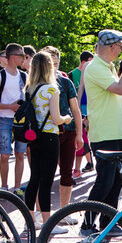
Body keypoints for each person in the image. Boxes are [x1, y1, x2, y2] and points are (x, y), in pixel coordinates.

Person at [82, 29, 122, 231]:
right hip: (104, 134)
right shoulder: (95, 67)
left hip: (116, 132)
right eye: (120, 47)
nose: (121, 50)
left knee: (116, 183)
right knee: (104, 181)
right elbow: (121, 89)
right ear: (112, 47)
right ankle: (87, 224)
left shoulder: (108, 66)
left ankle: (108, 222)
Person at [24, 51, 72, 231]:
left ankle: (29, 221)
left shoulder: (29, 88)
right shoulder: (52, 89)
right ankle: (48, 223)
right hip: (50, 136)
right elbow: (56, 118)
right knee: (47, 180)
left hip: (34, 136)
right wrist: (67, 118)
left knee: (34, 178)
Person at [41, 46, 84, 213]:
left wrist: (79, 134)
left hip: (68, 130)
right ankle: (41, 213)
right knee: (44, 173)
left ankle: (64, 212)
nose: (54, 67)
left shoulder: (65, 82)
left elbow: (75, 110)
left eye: (56, 63)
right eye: (50, 63)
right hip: (46, 133)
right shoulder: (37, 82)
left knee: (67, 172)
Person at [0, 43, 28, 193]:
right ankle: (4, 186)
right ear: (13, 57)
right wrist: (10, 106)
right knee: (4, 155)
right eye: (22, 55)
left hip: (21, 120)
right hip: (5, 119)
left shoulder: (24, 76)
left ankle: (17, 187)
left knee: (20, 154)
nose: (24, 58)